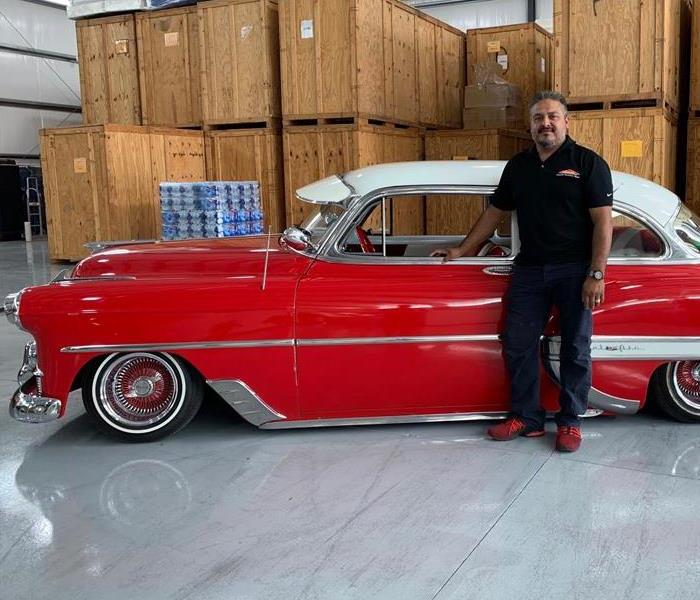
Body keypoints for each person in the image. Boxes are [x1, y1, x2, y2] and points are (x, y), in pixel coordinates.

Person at [432, 90, 613, 452]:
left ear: (565, 122)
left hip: (575, 270)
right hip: (529, 270)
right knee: (518, 344)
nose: (545, 123)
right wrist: (462, 249)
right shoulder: (519, 165)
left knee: (576, 347)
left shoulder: (588, 163)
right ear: (530, 125)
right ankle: (527, 418)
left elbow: (603, 222)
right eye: (538, 118)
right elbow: (493, 213)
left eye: (552, 116)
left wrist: (596, 274)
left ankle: (570, 422)